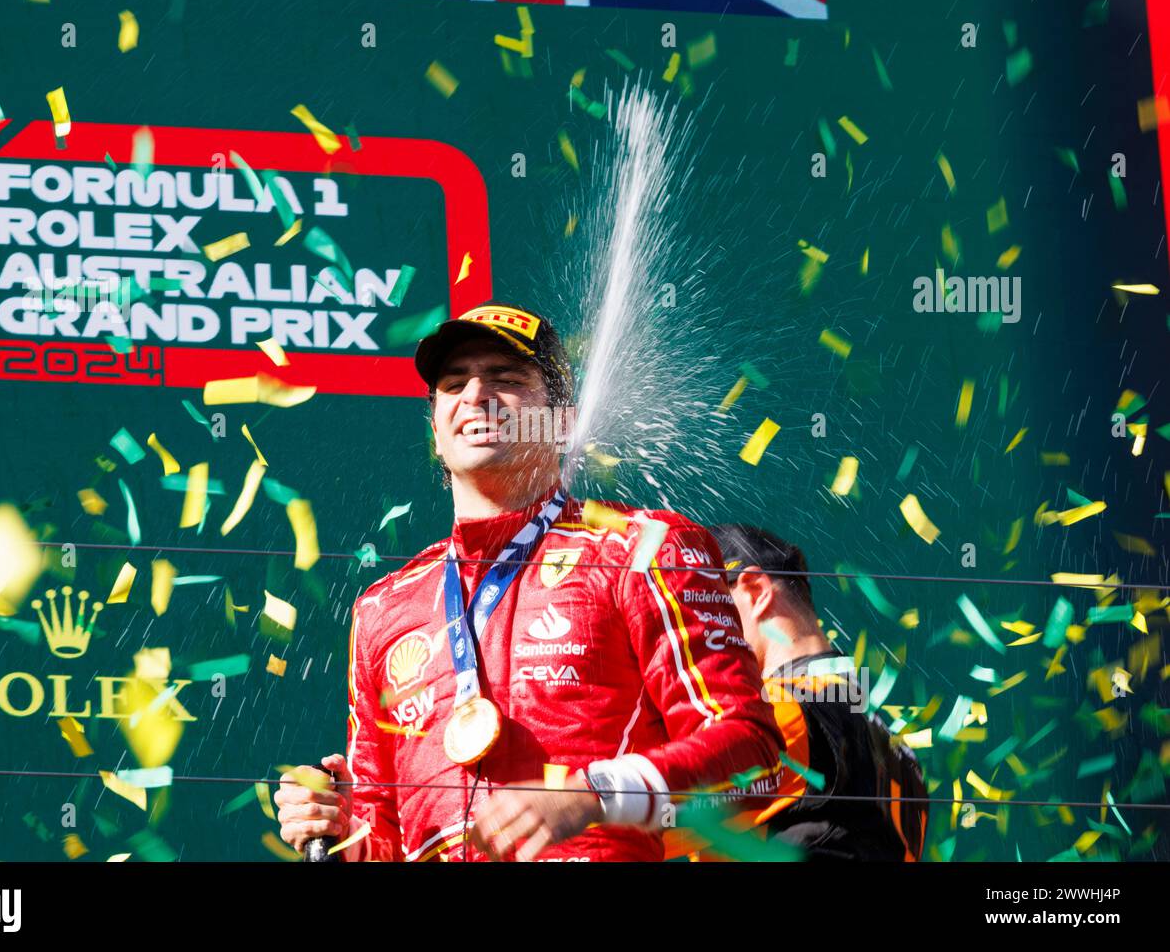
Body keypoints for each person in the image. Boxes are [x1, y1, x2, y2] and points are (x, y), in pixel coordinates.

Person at [275, 301, 783, 861]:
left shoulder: (641, 547)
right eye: (453, 384)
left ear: (563, 421)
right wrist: (340, 829)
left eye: (506, 378)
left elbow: (752, 760)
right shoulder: (384, 605)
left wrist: (594, 796)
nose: (474, 396)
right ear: (436, 433)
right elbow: (386, 837)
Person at [687, 523, 928, 861]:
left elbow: (641, 811)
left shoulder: (777, 710)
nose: (681, 634)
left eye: (697, 605)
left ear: (755, 592)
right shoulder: (897, 751)